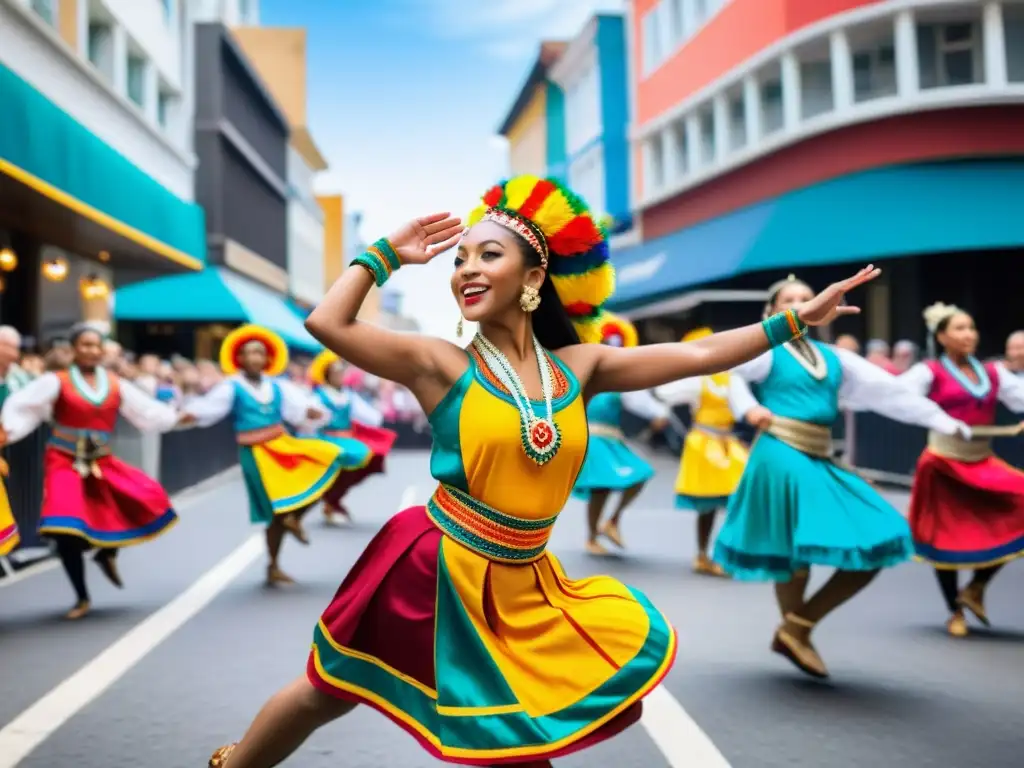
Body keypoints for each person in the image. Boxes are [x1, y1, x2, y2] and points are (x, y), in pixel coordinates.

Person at [207, 175, 880, 768]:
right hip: (435, 566)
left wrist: (795, 321)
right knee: (326, 692)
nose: (466, 268)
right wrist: (385, 253)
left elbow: (697, 355)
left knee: (511, 739)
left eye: (488, 255)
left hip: (522, 580)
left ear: (534, 279)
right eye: (460, 258)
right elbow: (327, 321)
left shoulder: (578, 369)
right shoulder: (439, 363)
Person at [713, 275, 971, 679]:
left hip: (818, 454)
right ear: (771, 312)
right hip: (780, 451)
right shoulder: (765, 351)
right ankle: (797, 632)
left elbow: (890, 393)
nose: (799, 303)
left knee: (879, 533)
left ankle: (796, 628)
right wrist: (748, 409)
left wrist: (942, 419)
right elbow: (731, 372)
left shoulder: (836, 358)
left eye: (805, 298)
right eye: (788, 300)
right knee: (793, 550)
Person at [0, 324, 183, 619]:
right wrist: (7, 430)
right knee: (64, 526)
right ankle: (81, 596)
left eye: (96, 345)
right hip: (63, 459)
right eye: (84, 345)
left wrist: (175, 418)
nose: (91, 350)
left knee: (140, 499)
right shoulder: (55, 381)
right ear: (73, 349)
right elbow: (23, 406)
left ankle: (106, 552)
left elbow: (145, 411)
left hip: (101, 460)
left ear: (102, 350)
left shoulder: (115, 384)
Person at [179, 326, 352, 584]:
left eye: (260, 353)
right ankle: (274, 563)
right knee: (274, 511)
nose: (255, 358)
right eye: (249, 353)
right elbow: (209, 408)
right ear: (240, 358)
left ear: (267, 358)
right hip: (254, 453)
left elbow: (300, 410)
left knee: (328, 460)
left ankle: (293, 522)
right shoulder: (231, 386)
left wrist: (312, 414)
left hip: (281, 444)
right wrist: (187, 415)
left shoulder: (278, 386)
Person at [901, 303, 1024, 637]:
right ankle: (954, 610)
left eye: (971, 327)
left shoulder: (994, 372)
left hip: (982, 460)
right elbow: (898, 397)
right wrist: (936, 418)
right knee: (945, 536)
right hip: (943, 462)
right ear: (941, 337)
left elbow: (1020, 397)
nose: (968, 334)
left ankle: (976, 587)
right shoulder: (929, 372)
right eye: (959, 328)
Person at [571, 312, 670, 554]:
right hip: (591, 440)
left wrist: (660, 414)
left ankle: (611, 522)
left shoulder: (619, 377)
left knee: (638, 475)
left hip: (611, 440)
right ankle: (592, 537)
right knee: (600, 487)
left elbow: (639, 398)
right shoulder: (582, 371)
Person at [655, 327, 748, 576]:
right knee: (707, 503)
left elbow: (745, 406)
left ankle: (723, 554)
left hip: (729, 444)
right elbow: (665, 392)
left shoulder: (732, 378)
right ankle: (703, 555)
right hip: (704, 444)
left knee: (737, 500)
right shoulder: (697, 379)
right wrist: (680, 366)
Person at [307, 350, 396, 523]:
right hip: (327, 441)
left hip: (347, 441)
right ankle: (331, 503)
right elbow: (309, 420)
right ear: (327, 374)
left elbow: (371, 417)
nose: (340, 376)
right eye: (335, 372)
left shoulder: (348, 396)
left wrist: (380, 412)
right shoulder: (318, 396)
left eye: (341, 372)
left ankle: (333, 501)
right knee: (337, 467)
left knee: (367, 458)